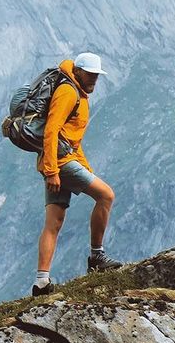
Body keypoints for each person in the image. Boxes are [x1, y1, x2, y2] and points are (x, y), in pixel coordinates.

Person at [33, 52, 122, 297]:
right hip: (60, 163)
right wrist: (52, 170)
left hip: (60, 161)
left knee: (54, 222)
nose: (94, 79)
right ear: (79, 72)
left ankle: (41, 282)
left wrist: (85, 168)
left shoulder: (79, 94)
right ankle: (97, 256)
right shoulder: (68, 92)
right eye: (90, 74)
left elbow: (73, 140)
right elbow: (51, 130)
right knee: (106, 196)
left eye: (97, 75)